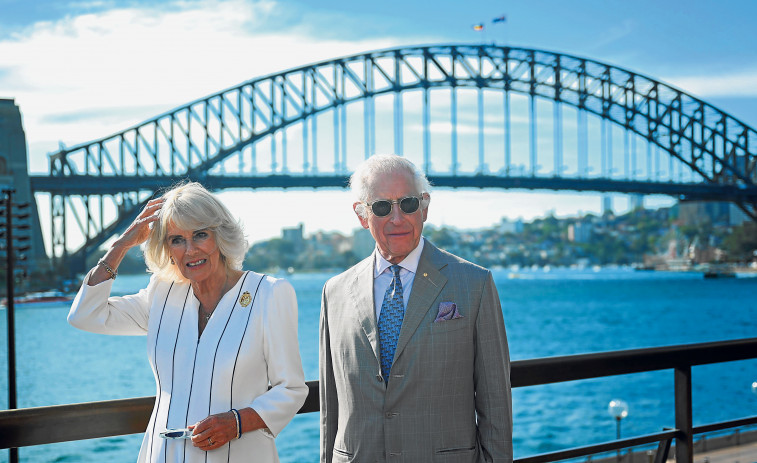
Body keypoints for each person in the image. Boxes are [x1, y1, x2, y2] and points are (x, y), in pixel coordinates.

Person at [68, 182, 308, 463]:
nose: (190, 250)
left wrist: (237, 421)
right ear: (167, 249)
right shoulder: (162, 293)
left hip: (236, 455)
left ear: (220, 236)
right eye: (176, 239)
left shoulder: (268, 294)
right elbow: (84, 315)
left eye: (200, 235)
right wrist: (121, 245)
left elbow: (291, 388)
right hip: (162, 456)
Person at [319, 154, 513, 462]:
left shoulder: (474, 284)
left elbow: (496, 404)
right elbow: (331, 405)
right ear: (361, 215)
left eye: (407, 204)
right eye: (382, 207)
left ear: (424, 206)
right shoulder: (335, 292)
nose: (397, 218)